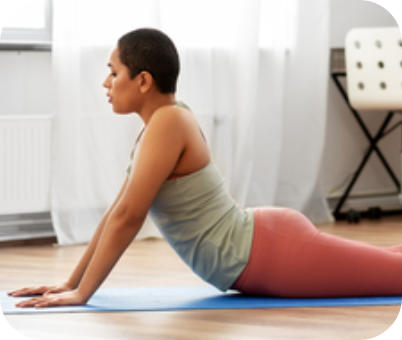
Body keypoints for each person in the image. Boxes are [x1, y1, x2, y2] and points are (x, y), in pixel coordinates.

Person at [8, 28, 402, 308]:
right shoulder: (155, 128)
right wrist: (70, 283)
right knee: (390, 262)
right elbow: (116, 213)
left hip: (270, 252)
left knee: (394, 275)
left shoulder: (168, 122)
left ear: (143, 80)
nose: (105, 82)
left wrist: (83, 294)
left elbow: (130, 217)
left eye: (114, 72)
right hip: (264, 248)